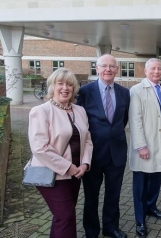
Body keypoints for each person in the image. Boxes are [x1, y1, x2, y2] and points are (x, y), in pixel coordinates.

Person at [28, 68, 93, 238]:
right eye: (60, 84)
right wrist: (68, 167)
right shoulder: (41, 111)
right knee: (66, 217)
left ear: (74, 89)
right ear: (52, 87)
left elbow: (87, 140)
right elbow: (40, 147)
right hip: (51, 174)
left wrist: (85, 164)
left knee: (63, 217)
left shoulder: (80, 111)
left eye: (69, 84)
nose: (65, 88)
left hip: (76, 173)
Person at [76, 54, 130, 238]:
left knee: (113, 195)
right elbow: (79, 122)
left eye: (112, 66)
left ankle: (111, 228)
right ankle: (91, 231)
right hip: (93, 153)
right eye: (104, 66)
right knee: (91, 196)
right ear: (96, 69)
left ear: (117, 70)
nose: (108, 69)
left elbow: (123, 120)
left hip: (117, 152)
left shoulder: (124, 93)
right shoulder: (85, 91)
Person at [128, 58, 161, 237]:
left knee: (156, 178)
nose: (157, 71)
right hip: (146, 144)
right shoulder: (137, 90)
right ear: (145, 71)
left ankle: (151, 207)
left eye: (159, 68)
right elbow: (135, 119)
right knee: (141, 184)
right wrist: (141, 146)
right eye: (153, 68)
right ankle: (140, 220)